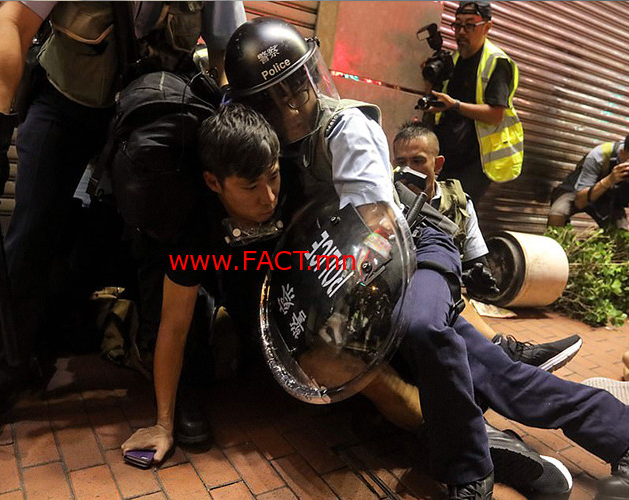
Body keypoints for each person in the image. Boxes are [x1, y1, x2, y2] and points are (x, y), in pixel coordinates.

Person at [222, 17, 629, 499]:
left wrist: (343, 315)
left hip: (413, 242)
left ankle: (468, 470)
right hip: (358, 268)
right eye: (278, 98)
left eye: (298, 88)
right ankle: (617, 432)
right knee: (493, 372)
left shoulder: (347, 128)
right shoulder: (269, 147)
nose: (295, 105)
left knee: (422, 327)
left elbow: (376, 232)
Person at [0, 0, 246, 435]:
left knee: (166, 236)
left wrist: (222, 128)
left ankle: (178, 382)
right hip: (66, 98)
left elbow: (227, 51)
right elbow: (14, 21)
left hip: (153, 103)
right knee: (31, 232)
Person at [122, 103, 286, 463]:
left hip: (251, 258)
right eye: (251, 187)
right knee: (185, 334)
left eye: (273, 177)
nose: (269, 198)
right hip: (171, 258)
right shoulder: (191, 225)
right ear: (214, 182)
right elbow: (174, 327)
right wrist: (162, 425)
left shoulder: (286, 187)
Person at [393, 122, 583, 373]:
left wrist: (475, 279)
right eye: (401, 162)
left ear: (437, 165)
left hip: (442, 300)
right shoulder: (386, 199)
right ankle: (507, 352)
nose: (409, 170)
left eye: (418, 161)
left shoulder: (459, 203)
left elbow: (476, 261)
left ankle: (507, 359)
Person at [426, 0, 524, 204]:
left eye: (470, 25)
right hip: (448, 153)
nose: (461, 32)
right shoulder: (454, 60)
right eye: (457, 25)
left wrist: (455, 105)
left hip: (478, 159)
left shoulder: (497, 62)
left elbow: (496, 114)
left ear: (487, 27)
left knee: (458, 211)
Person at [548, 134, 629, 229]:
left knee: (621, 229)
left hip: (607, 197)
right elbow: (579, 202)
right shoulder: (599, 155)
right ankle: (554, 237)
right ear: (622, 153)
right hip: (577, 190)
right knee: (558, 212)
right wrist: (609, 180)